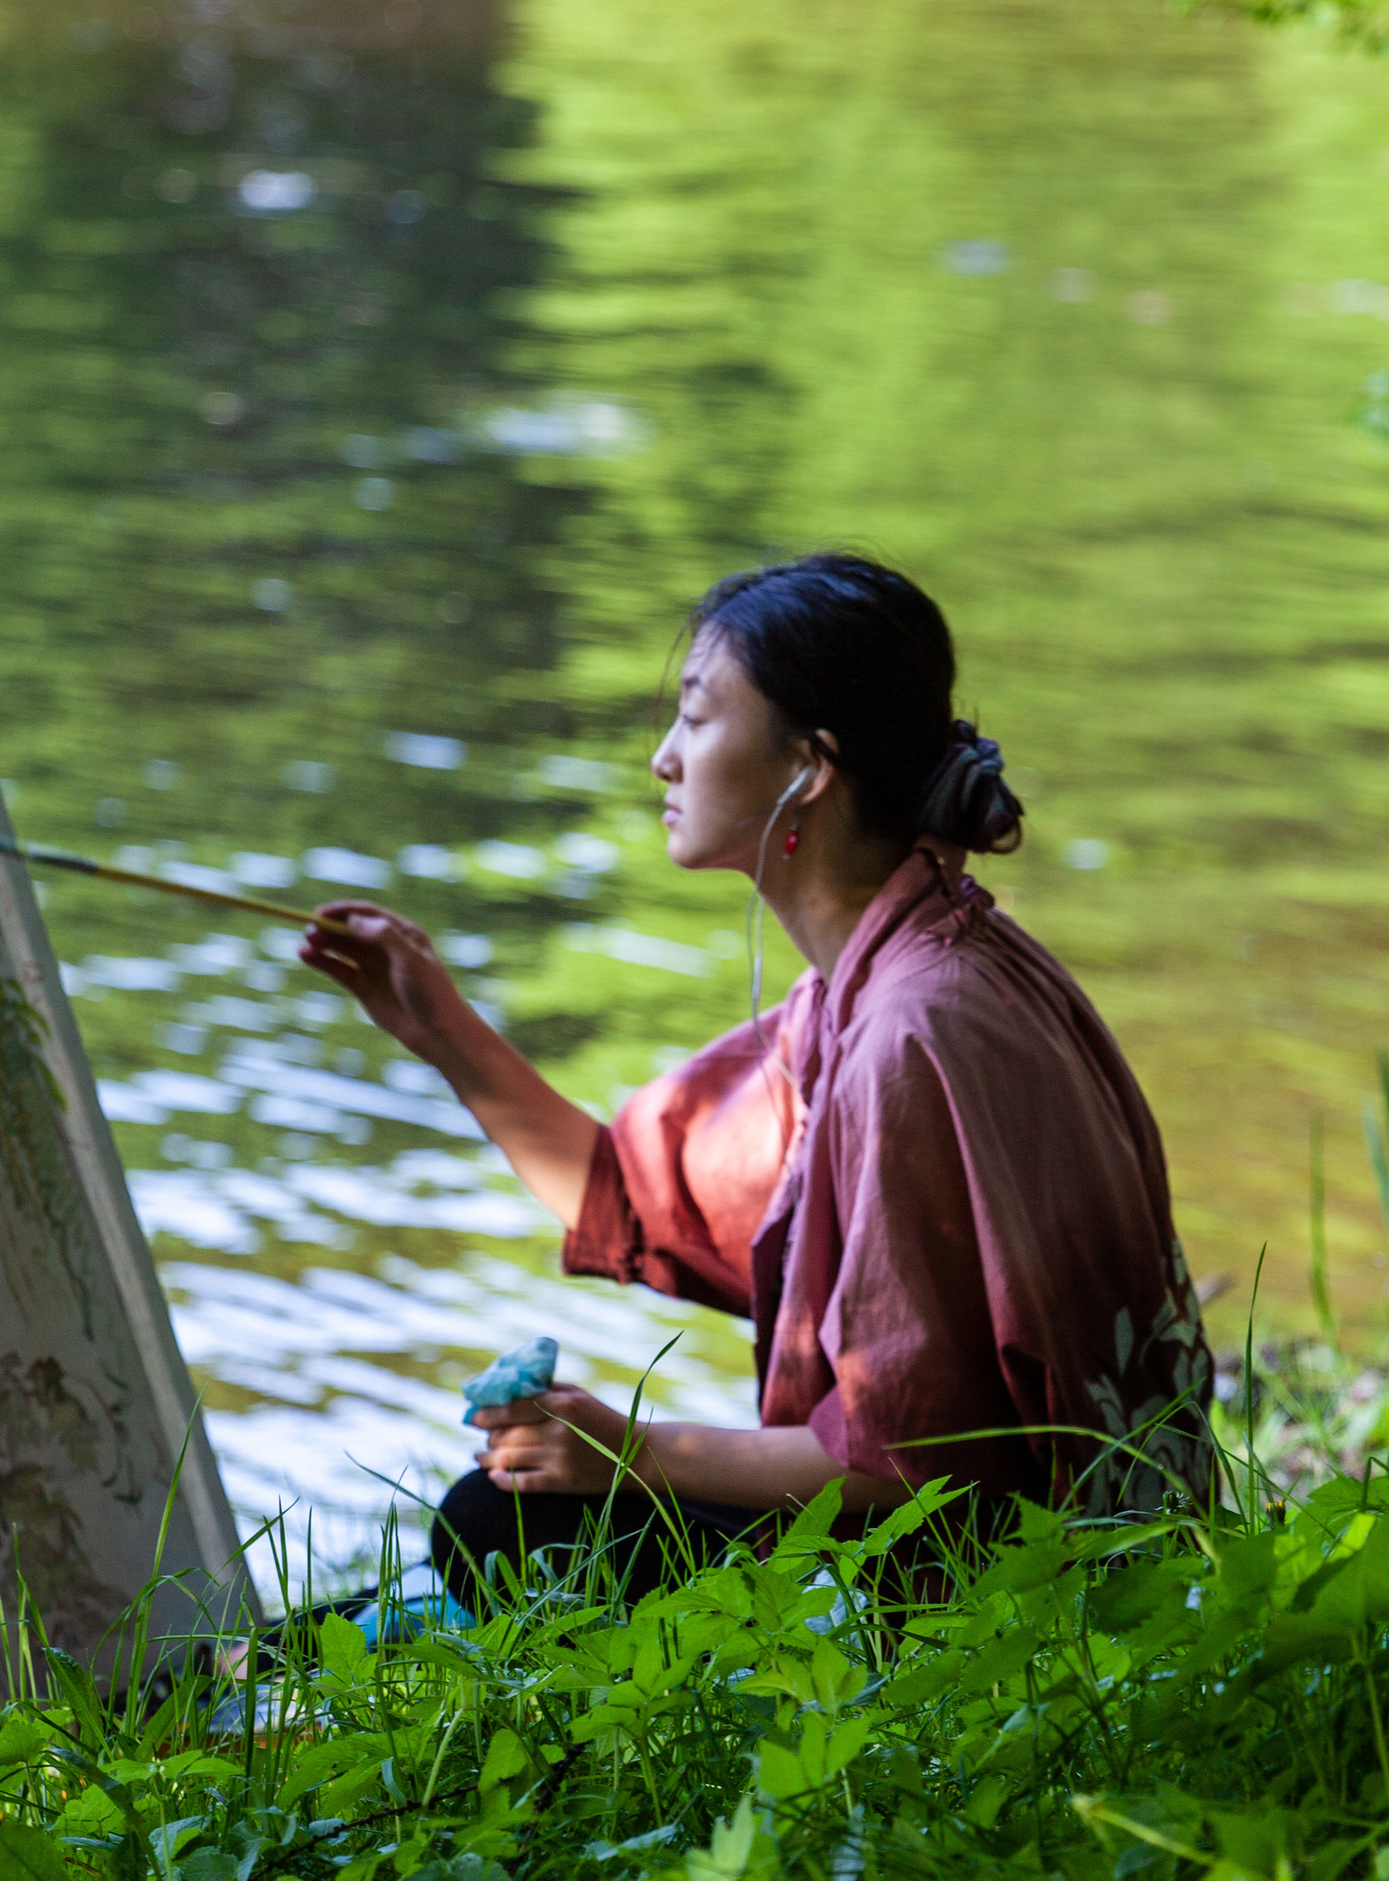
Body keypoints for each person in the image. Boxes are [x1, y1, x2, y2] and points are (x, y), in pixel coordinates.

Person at [298, 553, 1215, 1609]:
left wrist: (634, 1450)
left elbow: (912, 1464)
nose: (661, 760)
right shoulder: (877, 984)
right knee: (491, 1526)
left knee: (501, 1526)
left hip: (993, 1593)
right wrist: (439, 1026)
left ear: (808, 767)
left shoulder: (910, 1032)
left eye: (694, 718)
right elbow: (633, 1196)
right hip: (1010, 1539)